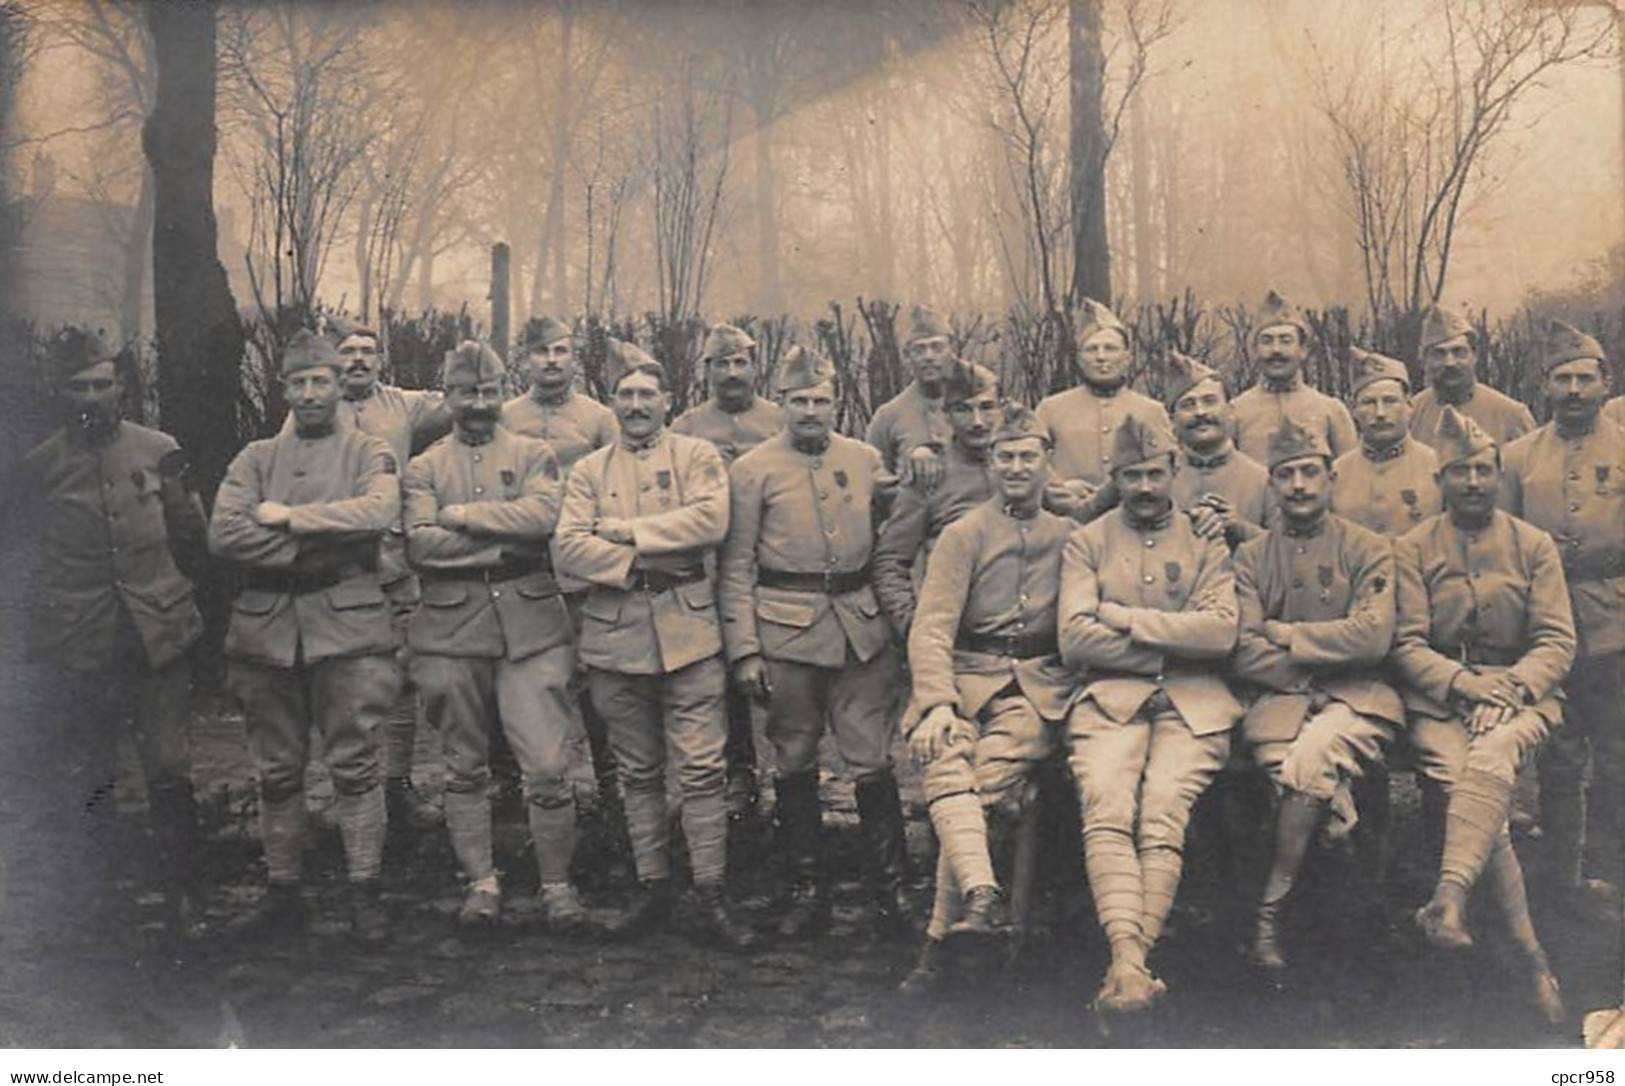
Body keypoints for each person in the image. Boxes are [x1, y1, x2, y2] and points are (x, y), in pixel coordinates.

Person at [553, 339, 756, 950]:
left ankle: (711, 893)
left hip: (690, 633)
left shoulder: (697, 456)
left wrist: (624, 532)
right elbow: (566, 548)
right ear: (612, 402)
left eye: (648, 394)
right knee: (639, 773)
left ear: (668, 401)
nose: (637, 405)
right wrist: (639, 554)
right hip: (616, 636)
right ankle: (652, 890)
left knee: (701, 769)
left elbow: (709, 523)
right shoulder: (590, 470)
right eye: (626, 395)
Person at [7, 328, 209, 939]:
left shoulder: (161, 450)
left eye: (102, 384)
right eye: (78, 387)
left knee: (167, 766)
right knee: (90, 770)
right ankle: (96, 903)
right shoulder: (36, 467)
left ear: (121, 386)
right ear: (60, 393)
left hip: (158, 633)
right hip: (80, 640)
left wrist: (194, 612)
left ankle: (185, 897)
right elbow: (20, 557)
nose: (92, 396)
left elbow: (192, 535)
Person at [208, 329, 403, 940]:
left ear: (341, 385)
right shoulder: (256, 457)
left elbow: (377, 513)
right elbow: (225, 534)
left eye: (322, 381)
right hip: (267, 630)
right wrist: (314, 546)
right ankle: (283, 889)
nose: (312, 393)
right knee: (277, 769)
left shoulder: (369, 450)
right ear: (283, 388)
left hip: (347, 625)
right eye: (300, 382)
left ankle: (365, 891)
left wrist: (290, 517)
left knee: (355, 764)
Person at [719, 345, 911, 938]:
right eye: (799, 400)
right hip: (786, 630)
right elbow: (735, 566)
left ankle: (893, 888)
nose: (810, 411)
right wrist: (745, 649)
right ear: (782, 403)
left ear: (836, 403)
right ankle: (805, 887)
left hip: (860, 630)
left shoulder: (863, 458)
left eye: (821, 400)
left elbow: (899, 521)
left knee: (871, 759)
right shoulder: (752, 469)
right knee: (794, 756)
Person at [402, 341, 592, 930]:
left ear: (501, 392)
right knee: (463, 766)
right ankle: (481, 884)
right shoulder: (423, 466)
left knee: (547, 766)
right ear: (448, 396)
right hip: (450, 629)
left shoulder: (535, 454)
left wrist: (457, 518)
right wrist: (499, 537)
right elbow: (418, 544)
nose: (478, 403)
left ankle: (558, 886)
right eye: (466, 392)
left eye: (488, 391)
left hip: (532, 627)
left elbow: (545, 520)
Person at [1392, 406, 1572, 1025]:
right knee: (1466, 784)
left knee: (1491, 759)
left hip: (1522, 696)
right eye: (1458, 472)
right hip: (1443, 698)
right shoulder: (1412, 547)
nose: (1472, 482)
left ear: (1499, 475)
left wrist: (1511, 690)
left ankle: (1448, 897)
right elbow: (1407, 643)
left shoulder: (1533, 545)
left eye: (1483, 470)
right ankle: (1531, 956)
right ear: (1439, 480)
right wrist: (1466, 686)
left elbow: (1556, 640)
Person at [1058, 414, 1242, 1013]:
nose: (1143, 487)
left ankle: (1130, 961)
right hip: (1109, 702)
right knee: (1107, 804)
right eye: (1131, 475)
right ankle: (1128, 958)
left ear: (1174, 472)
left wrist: (1127, 620)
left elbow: (1221, 634)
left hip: (1194, 704)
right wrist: (1171, 641)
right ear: (1114, 476)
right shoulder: (1087, 542)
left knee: (1164, 809)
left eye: (1154, 474)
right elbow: (1076, 641)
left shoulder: (1205, 538)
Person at [898, 403, 1073, 990]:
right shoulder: (963, 533)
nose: (1017, 467)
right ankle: (981, 894)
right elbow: (932, 626)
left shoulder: (1069, 536)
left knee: (982, 778)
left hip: (1037, 691)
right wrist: (938, 701)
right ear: (990, 464)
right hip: (966, 680)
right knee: (943, 754)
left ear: (1048, 463)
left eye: (1029, 455)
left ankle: (937, 937)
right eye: (1006, 456)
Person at [1232, 416, 1402, 976]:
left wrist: (1291, 636)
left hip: (1359, 702)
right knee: (1316, 786)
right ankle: (1350, 920)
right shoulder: (1251, 558)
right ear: (1272, 485)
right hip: (1279, 707)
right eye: (1286, 475)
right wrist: (1314, 667)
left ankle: (1266, 916)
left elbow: (1373, 637)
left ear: (1331, 478)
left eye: (1310, 472)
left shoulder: (1368, 548)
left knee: (1305, 766)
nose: (1299, 485)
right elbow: (1242, 648)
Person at [1500, 319, 1625, 908]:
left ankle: (1612, 864)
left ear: (1605, 383)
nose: (1574, 391)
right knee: (1559, 753)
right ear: (1544, 386)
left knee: (1619, 749)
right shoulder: (1518, 456)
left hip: (1618, 623)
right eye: (1562, 380)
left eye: (1584, 378)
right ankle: (1562, 876)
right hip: (1547, 624)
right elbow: (1503, 543)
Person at [323, 315, 451, 835]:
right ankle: (349, 790)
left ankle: (398, 786)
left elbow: (466, 401)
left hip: (394, 559)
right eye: (348, 351)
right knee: (342, 677)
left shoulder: (403, 404)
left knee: (400, 675)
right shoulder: (313, 407)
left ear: (380, 360)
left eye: (367, 351)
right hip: (337, 562)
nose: (357, 359)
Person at [671, 322, 786, 822]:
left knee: (777, 668)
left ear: (756, 367)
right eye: (723, 363)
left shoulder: (783, 420)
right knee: (718, 672)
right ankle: (739, 773)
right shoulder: (686, 427)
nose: (733, 373)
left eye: (741, 362)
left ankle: (786, 774)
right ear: (707, 371)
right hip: (710, 566)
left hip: (774, 565)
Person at [872, 359, 999, 635]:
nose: (977, 421)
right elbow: (890, 561)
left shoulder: (1022, 464)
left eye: (987, 407)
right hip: (955, 632)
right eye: (963, 410)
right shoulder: (930, 473)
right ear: (947, 415)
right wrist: (913, 626)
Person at [1036, 298, 1171, 524]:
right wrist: (1055, 487)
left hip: (1133, 523)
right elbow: (1029, 457)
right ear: (1079, 359)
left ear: (1127, 358)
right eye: (1091, 349)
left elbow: (1170, 467)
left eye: (1110, 348)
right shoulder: (1050, 408)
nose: (1101, 357)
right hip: (1068, 521)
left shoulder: (1151, 410)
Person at [1229, 290, 1357, 464]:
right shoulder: (1236, 412)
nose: (1276, 350)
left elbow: (1347, 475)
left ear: (1303, 350)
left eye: (1286, 340)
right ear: (1255, 350)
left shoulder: (1331, 411)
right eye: (1267, 341)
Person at [1164, 349, 1271, 548]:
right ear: (1172, 421)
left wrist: (1241, 529)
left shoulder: (1263, 481)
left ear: (1231, 411)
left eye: (1210, 401)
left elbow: (1288, 551)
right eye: (1188, 405)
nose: (1200, 412)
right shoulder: (1159, 480)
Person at [1330, 346, 1441, 536]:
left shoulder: (1438, 467)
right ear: (1353, 409)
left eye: (1390, 401)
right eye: (1369, 402)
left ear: (1409, 406)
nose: (1380, 413)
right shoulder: (1336, 474)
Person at [1407, 303, 1535, 449]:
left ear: (1475, 356)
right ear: (1423, 361)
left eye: (1458, 352)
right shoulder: (1410, 414)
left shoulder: (1511, 415)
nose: (1450, 363)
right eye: (1438, 354)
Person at [867, 305, 956, 491]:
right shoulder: (888, 416)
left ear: (952, 351)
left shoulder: (977, 407)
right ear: (907, 357)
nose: (928, 357)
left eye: (937, 347)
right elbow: (874, 481)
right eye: (919, 350)